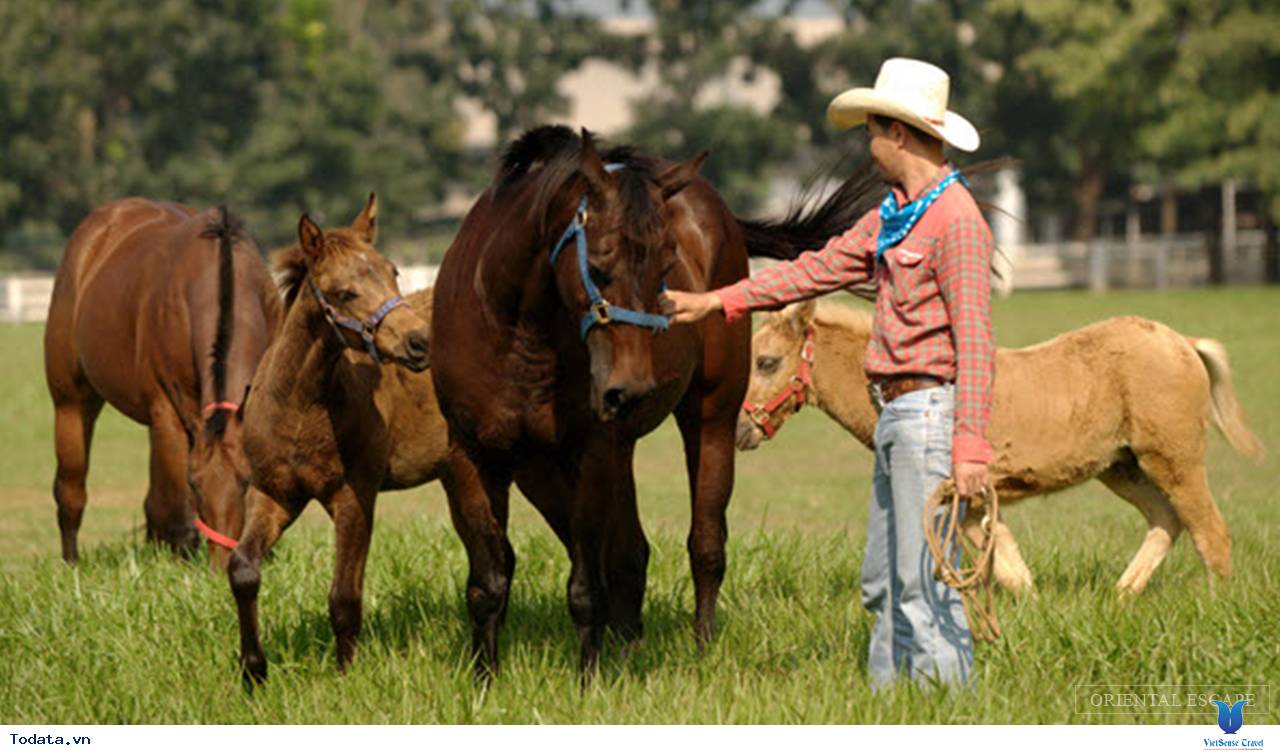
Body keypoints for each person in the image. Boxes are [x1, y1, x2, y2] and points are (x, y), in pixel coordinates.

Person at [659, 58, 995, 688]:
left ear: (900, 133)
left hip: (928, 415)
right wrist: (716, 301)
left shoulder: (956, 224)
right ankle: (889, 707)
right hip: (893, 415)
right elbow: (813, 270)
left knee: (924, 582)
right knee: (883, 581)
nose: (868, 147)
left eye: (872, 131)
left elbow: (976, 340)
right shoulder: (895, 216)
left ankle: (947, 709)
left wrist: (971, 442)